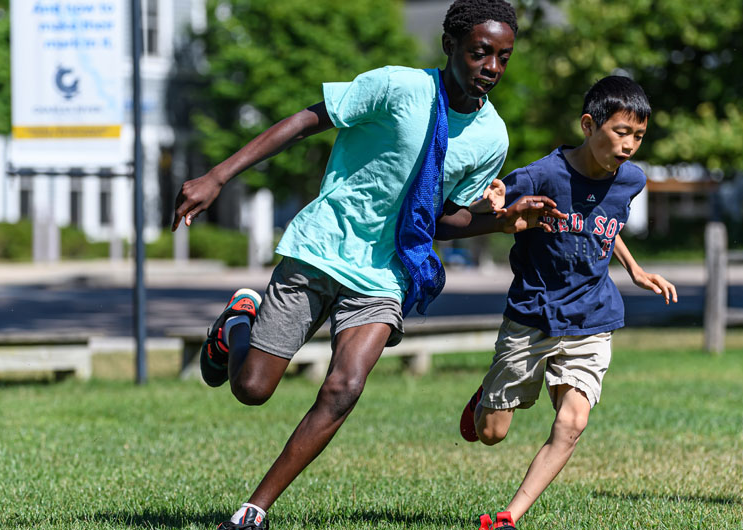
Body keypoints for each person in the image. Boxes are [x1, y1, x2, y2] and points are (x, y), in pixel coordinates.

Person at [171, 2, 566, 528]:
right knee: (252, 389)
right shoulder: (397, 86)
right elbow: (307, 120)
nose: (491, 67)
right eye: (480, 53)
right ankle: (240, 319)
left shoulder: (492, 137)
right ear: (450, 46)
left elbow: (442, 217)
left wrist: (500, 221)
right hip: (323, 247)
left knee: (345, 386)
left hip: (386, 272)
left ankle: (253, 512)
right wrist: (219, 175)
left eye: (503, 57)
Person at [444, 75, 679, 530]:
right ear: (589, 125)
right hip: (533, 314)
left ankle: (510, 516)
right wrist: (493, 200)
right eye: (620, 132)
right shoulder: (541, 175)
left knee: (573, 422)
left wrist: (634, 269)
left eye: (639, 136)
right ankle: (487, 398)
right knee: (491, 434)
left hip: (593, 315)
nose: (629, 145)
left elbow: (605, 226)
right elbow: (487, 206)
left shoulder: (630, 179)